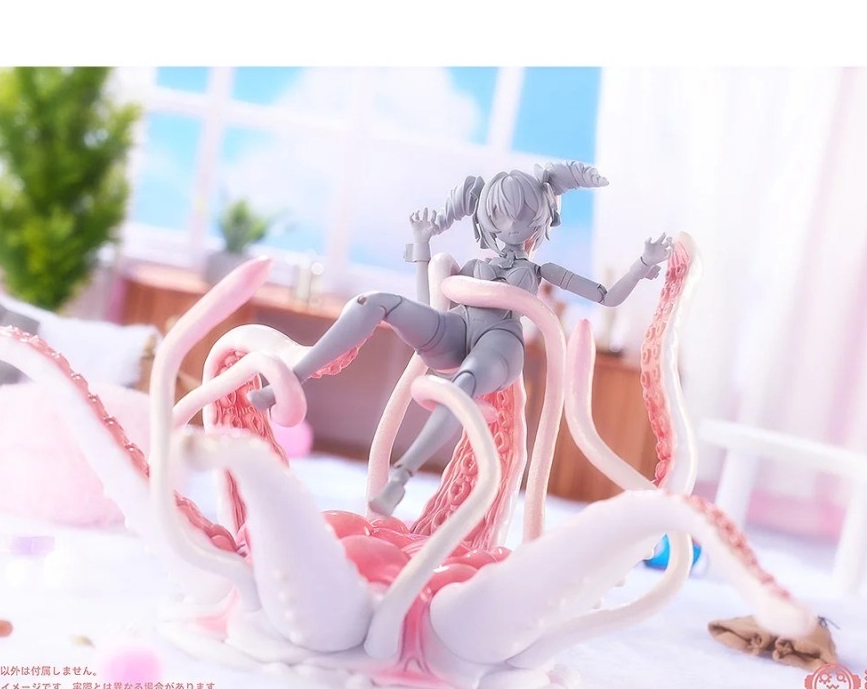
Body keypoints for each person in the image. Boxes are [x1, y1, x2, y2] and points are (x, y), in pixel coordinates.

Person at [250, 160, 672, 514]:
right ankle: (291, 379)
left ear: (540, 216)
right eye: (500, 214)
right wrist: (421, 244)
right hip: (455, 329)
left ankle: (401, 477)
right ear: (485, 217)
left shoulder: (540, 271)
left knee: (465, 381)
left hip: (500, 345)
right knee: (372, 302)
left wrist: (644, 262)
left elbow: (606, 296)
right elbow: (428, 306)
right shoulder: (469, 267)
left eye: (522, 215)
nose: (511, 225)